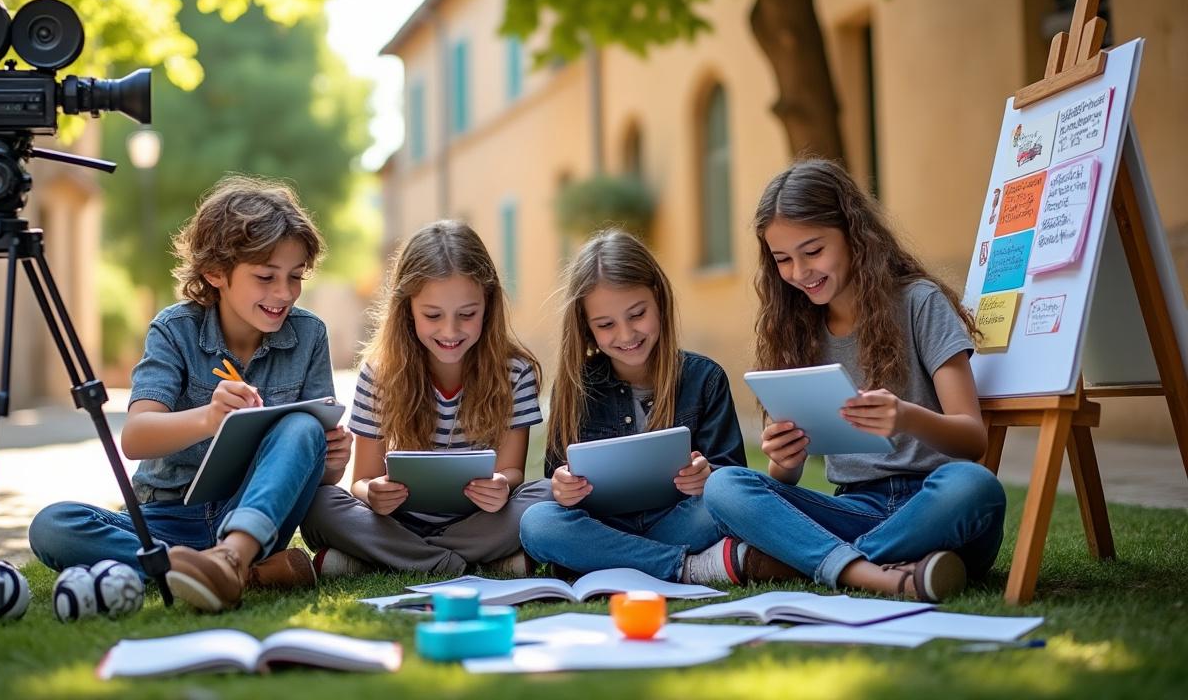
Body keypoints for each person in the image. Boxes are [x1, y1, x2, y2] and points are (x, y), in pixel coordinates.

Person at [28, 175, 351, 612]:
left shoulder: (309, 334)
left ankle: (232, 556)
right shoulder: (174, 329)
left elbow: (310, 470)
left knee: (302, 426)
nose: (284, 293)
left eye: (295, 277)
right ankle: (224, 569)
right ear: (215, 272)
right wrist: (209, 417)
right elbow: (136, 437)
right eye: (265, 276)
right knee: (53, 526)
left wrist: (333, 462)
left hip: (256, 518)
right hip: (167, 517)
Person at [704, 159, 1007, 602]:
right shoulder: (795, 328)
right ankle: (877, 574)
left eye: (813, 251)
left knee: (975, 486)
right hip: (854, 507)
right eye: (783, 259)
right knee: (724, 486)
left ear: (853, 233)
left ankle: (831, 565)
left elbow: (972, 440)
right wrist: (785, 462)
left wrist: (905, 418)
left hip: (934, 506)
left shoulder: (918, 303)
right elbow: (784, 480)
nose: (799, 272)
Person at [299, 220, 547, 576]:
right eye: (432, 316)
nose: (450, 331)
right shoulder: (380, 374)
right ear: (407, 310)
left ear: (488, 306)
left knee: (542, 499)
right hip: (398, 523)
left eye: (467, 314)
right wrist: (374, 494)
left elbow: (513, 473)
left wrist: (502, 484)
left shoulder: (514, 373)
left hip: (480, 523)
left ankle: (387, 560)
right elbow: (361, 480)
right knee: (319, 502)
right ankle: (464, 564)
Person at [518, 229, 747, 583]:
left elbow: (733, 482)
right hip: (603, 524)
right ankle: (688, 568)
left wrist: (708, 476)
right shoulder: (576, 386)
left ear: (658, 299)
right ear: (586, 328)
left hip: (680, 519)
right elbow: (556, 478)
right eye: (606, 325)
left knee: (725, 506)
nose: (626, 335)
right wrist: (562, 486)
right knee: (537, 524)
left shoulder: (705, 378)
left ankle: (604, 558)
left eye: (637, 314)